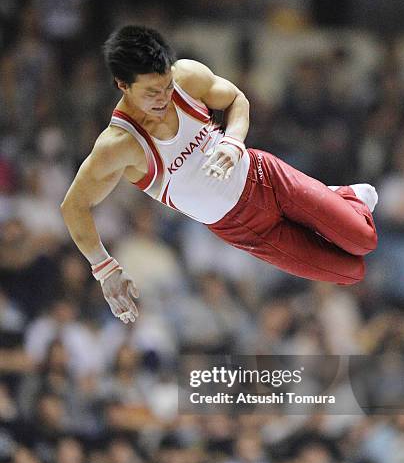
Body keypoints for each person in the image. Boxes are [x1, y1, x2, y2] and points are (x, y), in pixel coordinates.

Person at [61, 25, 378, 324]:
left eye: (167, 85)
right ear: (123, 85)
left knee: (363, 240)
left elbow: (237, 99)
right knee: (352, 271)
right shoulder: (119, 145)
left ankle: (348, 195)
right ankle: (333, 196)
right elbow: (73, 206)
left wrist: (232, 142)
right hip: (244, 228)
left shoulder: (187, 77)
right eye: (152, 92)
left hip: (265, 176)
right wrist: (104, 268)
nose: (164, 98)